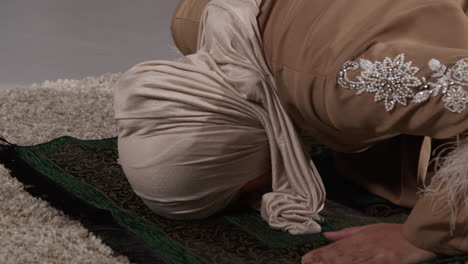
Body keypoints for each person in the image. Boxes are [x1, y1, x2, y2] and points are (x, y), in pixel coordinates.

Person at [114, 0, 468, 263]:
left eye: (241, 196)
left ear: (238, 154)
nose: (260, 198)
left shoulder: (347, 88)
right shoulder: (194, 19)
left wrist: (426, 235)